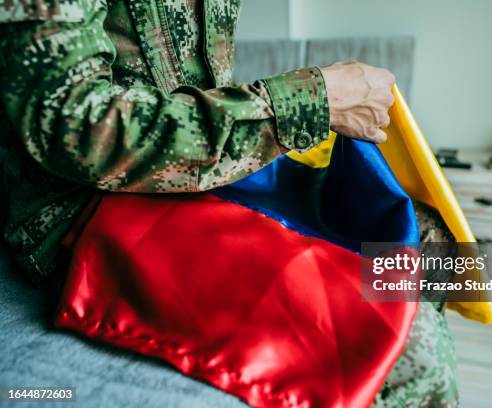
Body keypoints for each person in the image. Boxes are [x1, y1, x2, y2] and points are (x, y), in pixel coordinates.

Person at [0, 0, 457, 406]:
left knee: (437, 250)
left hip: (198, 175)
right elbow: (78, 127)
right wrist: (311, 101)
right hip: (86, 204)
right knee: (407, 341)